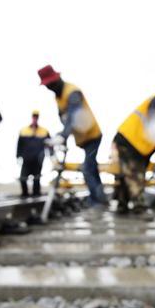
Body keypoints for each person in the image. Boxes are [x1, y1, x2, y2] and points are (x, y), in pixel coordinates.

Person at [37, 65, 107, 206]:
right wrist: (61, 135)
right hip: (83, 137)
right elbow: (65, 119)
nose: (48, 88)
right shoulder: (58, 96)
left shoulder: (72, 92)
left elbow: (74, 117)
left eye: (49, 85)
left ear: (55, 80)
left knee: (87, 168)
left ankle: (96, 202)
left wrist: (63, 136)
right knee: (92, 168)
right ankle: (101, 199)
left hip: (92, 135)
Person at [113, 91, 155, 216]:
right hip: (129, 140)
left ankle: (122, 206)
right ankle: (139, 207)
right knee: (135, 175)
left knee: (128, 175)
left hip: (134, 144)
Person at [16, 110, 50, 197]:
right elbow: (19, 145)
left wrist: (51, 155)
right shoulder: (24, 130)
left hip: (38, 160)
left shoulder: (44, 131)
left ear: (38, 118)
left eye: (36, 117)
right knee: (23, 178)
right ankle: (25, 194)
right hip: (27, 159)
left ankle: (36, 195)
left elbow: (49, 144)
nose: (35, 118)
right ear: (32, 117)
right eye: (34, 117)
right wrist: (18, 156)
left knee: (36, 179)